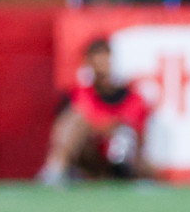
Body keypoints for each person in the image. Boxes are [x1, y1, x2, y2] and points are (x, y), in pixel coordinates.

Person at [38, 38, 155, 185]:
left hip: (123, 159)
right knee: (74, 120)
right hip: (91, 156)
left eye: (106, 60)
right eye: (97, 62)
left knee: (131, 143)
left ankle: (137, 180)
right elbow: (66, 128)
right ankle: (55, 170)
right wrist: (102, 128)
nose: (103, 67)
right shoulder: (79, 94)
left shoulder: (134, 99)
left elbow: (139, 139)